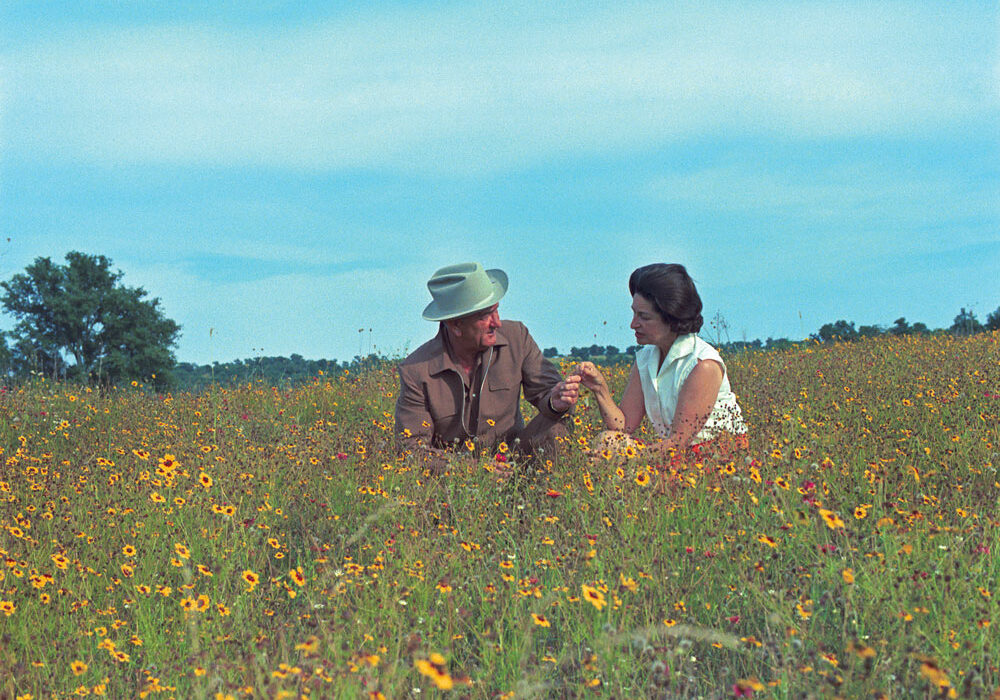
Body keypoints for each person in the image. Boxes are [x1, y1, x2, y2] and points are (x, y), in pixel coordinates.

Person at [394, 262, 580, 470]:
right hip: (456, 479)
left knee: (557, 427)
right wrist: (470, 470)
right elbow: (411, 449)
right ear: (455, 325)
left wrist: (556, 402)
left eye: (496, 311)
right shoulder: (416, 371)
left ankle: (542, 500)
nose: (497, 323)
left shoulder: (517, 338)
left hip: (515, 462)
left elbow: (547, 392)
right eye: (485, 316)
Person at [577, 263, 747, 462]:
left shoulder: (703, 365)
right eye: (634, 313)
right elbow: (624, 427)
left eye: (644, 317)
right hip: (675, 453)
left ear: (671, 318)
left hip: (716, 460)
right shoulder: (646, 358)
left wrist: (622, 458)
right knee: (607, 441)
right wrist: (600, 390)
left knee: (610, 457)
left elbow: (678, 443)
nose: (633, 324)